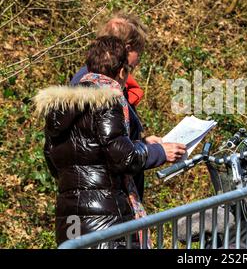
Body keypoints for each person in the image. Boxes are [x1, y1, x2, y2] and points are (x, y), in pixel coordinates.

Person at [34, 36, 186, 247]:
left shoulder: (60, 107)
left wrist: (138, 142)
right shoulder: (106, 101)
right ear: (122, 71)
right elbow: (122, 157)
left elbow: (54, 160)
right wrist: (158, 151)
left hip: (70, 217)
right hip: (106, 219)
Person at [70, 12, 164, 201]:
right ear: (128, 49)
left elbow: (111, 139)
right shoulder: (97, 87)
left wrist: (142, 142)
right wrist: (157, 152)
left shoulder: (98, 81)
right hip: (107, 200)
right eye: (140, 52)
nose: (138, 61)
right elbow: (110, 153)